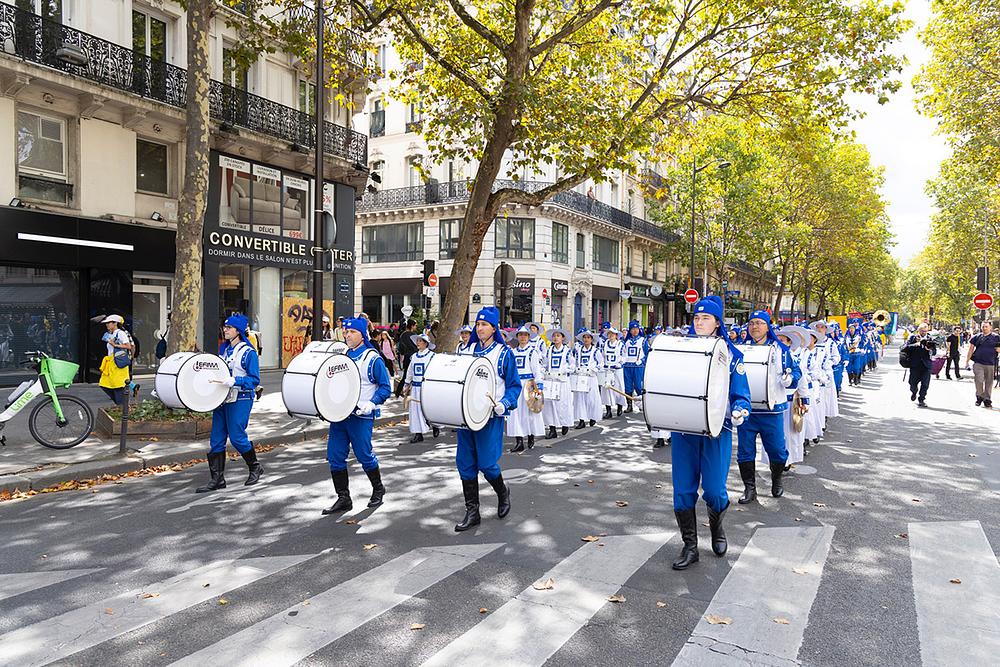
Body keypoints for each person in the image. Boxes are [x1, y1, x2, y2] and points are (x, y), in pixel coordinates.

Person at [670, 296, 752, 570]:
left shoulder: (731, 356)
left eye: (705, 318)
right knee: (682, 490)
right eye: (696, 318)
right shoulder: (681, 350)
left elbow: (741, 394)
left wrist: (740, 408)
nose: (699, 322)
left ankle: (717, 529)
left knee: (716, 491)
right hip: (685, 430)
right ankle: (690, 545)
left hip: (718, 430)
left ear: (717, 323)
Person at [453, 306, 521, 532]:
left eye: (484, 325)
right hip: (466, 416)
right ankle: (472, 512)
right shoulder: (465, 350)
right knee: (465, 463)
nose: (479, 328)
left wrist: (505, 403)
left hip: (490, 416)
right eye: (478, 324)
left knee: (487, 464)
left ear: (494, 328)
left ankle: (503, 491)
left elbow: (513, 386)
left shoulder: (503, 354)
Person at [322, 317, 392, 514]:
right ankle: (343, 498)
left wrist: (372, 403)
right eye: (345, 331)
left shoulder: (372, 357)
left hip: (361, 416)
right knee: (335, 456)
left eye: (351, 332)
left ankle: (378, 488)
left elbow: (386, 387)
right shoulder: (342, 356)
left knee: (364, 455)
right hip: (340, 415)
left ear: (362, 335)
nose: (347, 335)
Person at [735, 310, 799, 504]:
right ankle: (749, 488)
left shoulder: (780, 349)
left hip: (772, 410)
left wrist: (790, 379)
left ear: (768, 326)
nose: (755, 327)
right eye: (752, 323)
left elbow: (796, 372)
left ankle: (777, 479)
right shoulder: (740, 349)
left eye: (760, 323)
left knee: (777, 451)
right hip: (747, 410)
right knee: (745, 451)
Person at [197, 314, 264, 493]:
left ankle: (255, 467)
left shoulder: (248, 353)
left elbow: (254, 380)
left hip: (241, 398)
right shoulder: (224, 350)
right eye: (225, 327)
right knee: (216, 439)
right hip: (222, 398)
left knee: (236, 437)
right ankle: (217, 479)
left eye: (229, 327)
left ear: (239, 331)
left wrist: (237, 380)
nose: (225, 330)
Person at [507, 326, 545, 452]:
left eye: (525, 335)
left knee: (530, 411)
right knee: (516, 412)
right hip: (516, 384)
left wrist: (539, 387)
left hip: (529, 384)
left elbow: (537, 371)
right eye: (520, 335)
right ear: (517, 337)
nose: (523, 337)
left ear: (528, 337)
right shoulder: (513, 352)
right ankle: (519, 441)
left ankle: (531, 436)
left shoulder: (532, 352)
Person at [403, 333, 439, 443]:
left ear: (425, 343)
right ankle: (418, 434)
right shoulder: (414, 356)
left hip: (427, 387)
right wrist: (406, 384)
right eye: (417, 341)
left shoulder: (432, 356)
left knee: (430, 407)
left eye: (420, 341)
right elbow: (410, 371)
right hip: (416, 388)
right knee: (415, 410)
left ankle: (435, 425)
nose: (417, 343)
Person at [542, 327, 576, 439]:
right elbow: (545, 364)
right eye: (554, 336)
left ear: (562, 338)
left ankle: (564, 423)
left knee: (562, 405)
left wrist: (564, 370)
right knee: (549, 405)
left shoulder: (567, 351)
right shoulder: (549, 350)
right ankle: (552, 429)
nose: (556, 338)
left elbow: (572, 366)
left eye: (558, 336)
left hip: (562, 382)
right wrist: (543, 371)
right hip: (551, 381)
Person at [98, 315, 133, 406]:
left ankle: (122, 406)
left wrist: (115, 345)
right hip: (111, 362)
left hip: (118, 362)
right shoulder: (111, 334)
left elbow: (128, 346)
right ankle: (120, 404)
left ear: (115, 323)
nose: (107, 325)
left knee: (118, 386)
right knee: (104, 384)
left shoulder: (120, 333)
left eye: (109, 323)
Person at [573, 330, 603, 428]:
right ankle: (581, 419)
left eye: (588, 338)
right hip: (581, 376)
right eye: (584, 337)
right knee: (580, 398)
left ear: (591, 339)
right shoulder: (578, 350)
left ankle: (592, 417)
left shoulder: (596, 351)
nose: (586, 339)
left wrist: (593, 370)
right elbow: (575, 362)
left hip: (591, 377)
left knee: (592, 398)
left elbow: (601, 364)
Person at [965, 321, 999, 407]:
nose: (984, 328)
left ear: (990, 328)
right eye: (983, 326)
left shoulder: (996, 337)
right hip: (978, 363)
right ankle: (979, 396)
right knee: (979, 380)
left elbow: (999, 349)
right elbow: (971, 349)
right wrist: (967, 361)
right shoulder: (976, 337)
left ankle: (987, 399)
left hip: (991, 363)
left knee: (989, 382)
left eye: (986, 327)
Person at [904, 323, 936, 407]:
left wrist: (929, 349)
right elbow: (905, 348)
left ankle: (921, 399)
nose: (924, 332)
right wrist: (915, 345)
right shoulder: (913, 337)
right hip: (915, 364)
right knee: (912, 383)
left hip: (926, 365)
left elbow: (934, 351)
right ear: (918, 330)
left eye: (925, 331)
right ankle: (914, 392)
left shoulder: (930, 338)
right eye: (922, 331)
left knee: (925, 384)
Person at [622, 320, 647, 414]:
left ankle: (642, 404)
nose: (635, 331)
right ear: (630, 330)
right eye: (633, 329)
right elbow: (623, 353)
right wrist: (623, 360)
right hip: (627, 366)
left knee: (638, 386)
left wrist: (641, 361)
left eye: (636, 328)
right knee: (628, 387)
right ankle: (629, 405)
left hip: (638, 367)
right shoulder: (626, 341)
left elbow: (647, 354)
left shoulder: (643, 340)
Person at [601, 328, 626, 418]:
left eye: (613, 334)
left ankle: (620, 406)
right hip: (607, 370)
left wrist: (620, 364)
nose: (611, 335)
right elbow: (602, 356)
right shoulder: (604, 344)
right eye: (609, 334)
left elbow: (624, 357)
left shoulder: (621, 345)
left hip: (617, 370)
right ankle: (608, 411)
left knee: (619, 388)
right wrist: (602, 364)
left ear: (616, 335)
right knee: (606, 389)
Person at [394, 319, 419, 398]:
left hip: (406, 357)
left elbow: (400, 347)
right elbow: (417, 346)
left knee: (405, 375)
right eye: (415, 325)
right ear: (412, 326)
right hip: (414, 357)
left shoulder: (403, 335)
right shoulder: (414, 335)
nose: (416, 327)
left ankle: (398, 393)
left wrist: (402, 353)